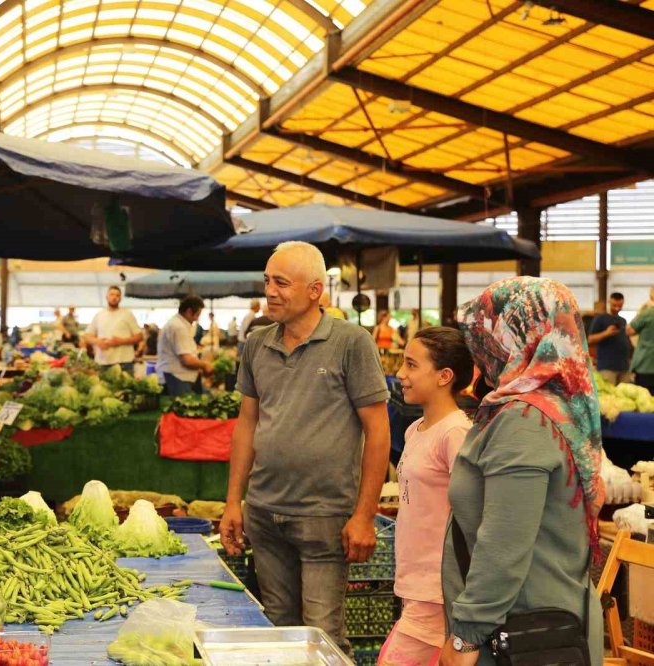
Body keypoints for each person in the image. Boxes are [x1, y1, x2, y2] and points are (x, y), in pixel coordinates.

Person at [219, 241, 391, 654]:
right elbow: (247, 423)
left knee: (323, 636)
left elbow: (379, 432)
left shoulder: (352, 342)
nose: (270, 291)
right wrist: (233, 503)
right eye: (267, 281)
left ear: (315, 291)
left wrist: (365, 515)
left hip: (323, 516)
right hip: (263, 512)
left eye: (281, 282)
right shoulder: (257, 343)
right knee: (278, 628)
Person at [440, 277, 603, 666]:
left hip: (523, 636)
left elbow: (503, 543)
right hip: (531, 625)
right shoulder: (559, 407)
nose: (480, 352)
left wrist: (466, 634)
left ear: (515, 336)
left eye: (486, 338)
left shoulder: (524, 419)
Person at [380, 327, 473, 665]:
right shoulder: (414, 430)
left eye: (411, 365)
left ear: (444, 376)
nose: (401, 375)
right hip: (413, 583)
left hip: (438, 590)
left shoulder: (456, 433)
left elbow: (471, 517)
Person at [157, 295, 214, 397]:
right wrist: (205, 365)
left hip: (176, 376)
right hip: (177, 377)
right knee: (180, 410)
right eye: (197, 315)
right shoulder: (178, 327)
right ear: (188, 311)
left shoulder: (177, 324)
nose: (197, 319)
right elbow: (186, 360)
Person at [83, 286, 143, 372]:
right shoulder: (99, 315)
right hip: (103, 363)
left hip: (124, 363)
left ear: (120, 298)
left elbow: (139, 336)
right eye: (112, 294)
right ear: (106, 297)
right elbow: (86, 336)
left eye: (117, 295)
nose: (114, 297)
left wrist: (121, 341)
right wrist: (98, 341)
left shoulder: (127, 314)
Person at [587, 292, 631, 385]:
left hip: (624, 367)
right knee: (608, 396)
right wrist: (606, 333)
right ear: (609, 302)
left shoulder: (623, 320)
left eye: (620, 306)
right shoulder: (600, 319)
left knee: (624, 397)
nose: (617, 308)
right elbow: (590, 339)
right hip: (607, 367)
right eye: (614, 305)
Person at [628, 305, 654, 393]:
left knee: (645, 400)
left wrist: (640, 312)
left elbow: (629, 330)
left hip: (646, 366)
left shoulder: (648, 313)